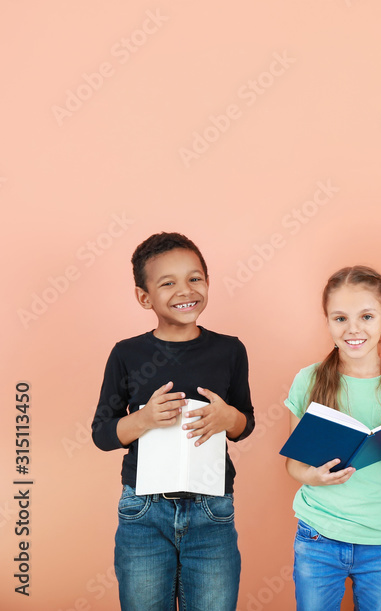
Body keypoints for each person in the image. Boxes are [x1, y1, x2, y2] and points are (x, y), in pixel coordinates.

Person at [91, 232, 255, 611]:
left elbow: (245, 422)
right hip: (143, 511)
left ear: (208, 282)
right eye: (168, 283)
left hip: (212, 509)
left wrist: (228, 417)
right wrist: (144, 419)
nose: (186, 290)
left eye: (195, 278)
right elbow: (102, 433)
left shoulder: (229, 350)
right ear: (144, 297)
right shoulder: (127, 354)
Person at [284, 266, 381, 611]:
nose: (353, 329)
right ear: (327, 321)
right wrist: (313, 476)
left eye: (366, 316)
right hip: (319, 535)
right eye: (340, 318)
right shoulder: (308, 380)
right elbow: (293, 463)